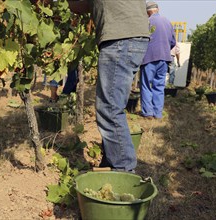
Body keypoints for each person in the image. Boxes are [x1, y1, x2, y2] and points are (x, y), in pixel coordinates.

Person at [68, 0, 150, 172]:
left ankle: (124, 171)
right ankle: (112, 163)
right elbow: (84, 5)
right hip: (130, 37)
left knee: (109, 108)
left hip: (121, 38)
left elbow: (77, 4)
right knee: (112, 105)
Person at [140, 2, 176, 119]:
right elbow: (173, 42)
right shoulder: (167, 21)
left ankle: (148, 113)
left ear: (147, 12)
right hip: (164, 58)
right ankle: (158, 114)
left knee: (146, 85)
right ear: (158, 9)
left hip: (149, 58)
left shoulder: (147, 22)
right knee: (159, 86)